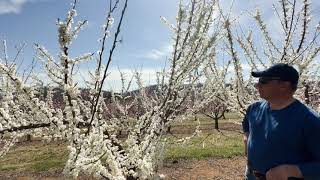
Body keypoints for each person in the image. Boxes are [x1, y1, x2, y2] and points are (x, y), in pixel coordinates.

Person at [242, 63, 320, 180]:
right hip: (252, 175)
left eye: (263, 81)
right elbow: (246, 126)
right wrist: (247, 140)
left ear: (284, 85)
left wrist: (295, 170)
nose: (256, 85)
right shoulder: (253, 109)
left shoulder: (309, 120)